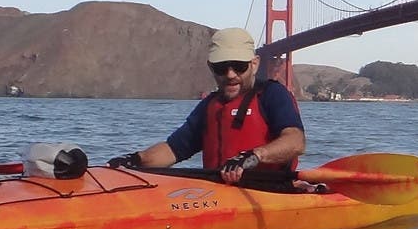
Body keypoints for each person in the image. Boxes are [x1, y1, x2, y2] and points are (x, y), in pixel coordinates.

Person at [109, 27, 307, 185]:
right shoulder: (210, 106)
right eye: (221, 67)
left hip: (270, 192)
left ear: (254, 64)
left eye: (239, 66)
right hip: (217, 193)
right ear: (211, 67)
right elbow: (173, 149)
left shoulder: (273, 95)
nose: (230, 74)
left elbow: (295, 142)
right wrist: (134, 160)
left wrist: (254, 156)